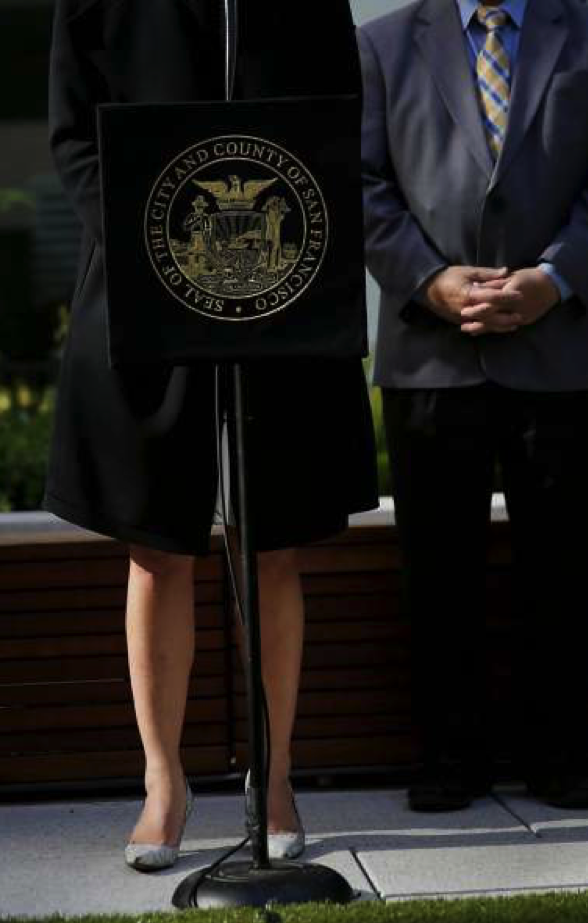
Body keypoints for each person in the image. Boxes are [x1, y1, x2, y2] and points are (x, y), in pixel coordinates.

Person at [47, 0, 378, 870]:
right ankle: (165, 782)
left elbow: (337, 125)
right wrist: (148, 239)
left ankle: (273, 775)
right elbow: (73, 134)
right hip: (140, 286)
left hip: (280, 291)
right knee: (157, 544)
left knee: (274, 542)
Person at [359, 0, 588, 812]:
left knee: (564, 566)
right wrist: (431, 279)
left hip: (555, 348)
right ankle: (450, 756)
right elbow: (360, 183)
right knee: (438, 569)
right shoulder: (382, 44)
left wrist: (552, 281)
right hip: (428, 353)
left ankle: (561, 753)